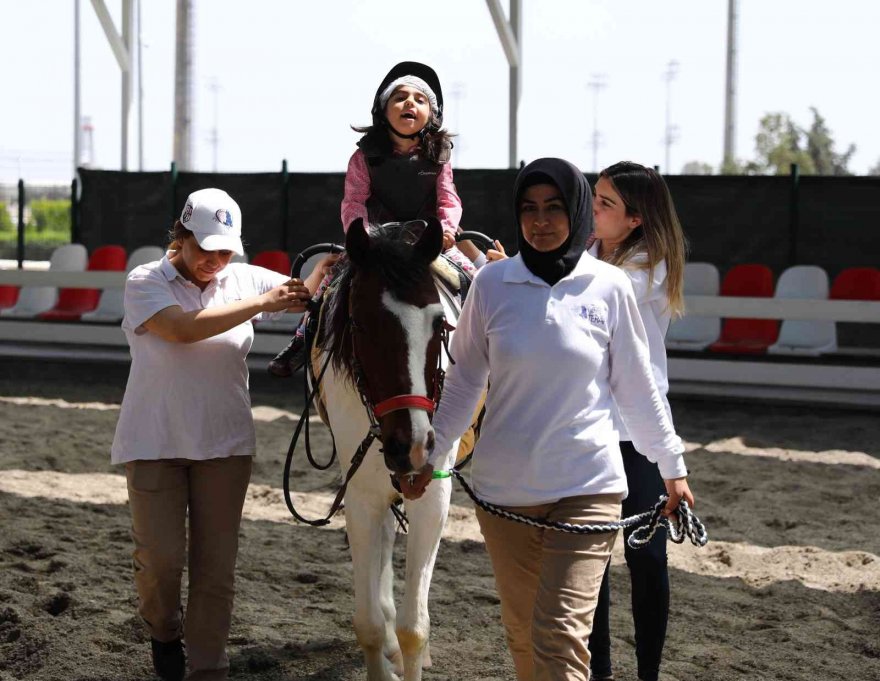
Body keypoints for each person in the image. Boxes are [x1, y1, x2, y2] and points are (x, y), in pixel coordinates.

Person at [398, 158, 695, 681]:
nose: (541, 221)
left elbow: (637, 387)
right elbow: (466, 380)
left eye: (554, 208)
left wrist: (673, 467)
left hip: (589, 486)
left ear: (575, 212)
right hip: (506, 492)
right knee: (524, 638)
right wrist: (434, 452)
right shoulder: (491, 284)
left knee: (559, 635)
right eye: (529, 209)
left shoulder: (611, 287)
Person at [110, 188, 319, 681]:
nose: (215, 260)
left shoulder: (242, 277)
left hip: (225, 444)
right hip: (153, 442)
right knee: (160, 561)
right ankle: (164, 631)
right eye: (204, 247)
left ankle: (209, 668)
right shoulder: (145, 280)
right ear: (180, 237)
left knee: (216, 568)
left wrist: (326, 270)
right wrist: (262, 302)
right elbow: (181, 329)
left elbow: (303, 293)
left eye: (225, 250)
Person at [268, 60, 482, 377]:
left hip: (427, 241)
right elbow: (353, 201)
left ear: (431, 115)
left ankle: (487, 344)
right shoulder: (364, 157)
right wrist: (363, 237)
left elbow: (448, 198)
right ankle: (303, 338)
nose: (410, 103)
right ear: (383, 110)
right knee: (332, 280)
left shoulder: (439, 156)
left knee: (472, 279)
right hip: (378, 240)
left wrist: (446, 230)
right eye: (400, 97)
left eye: (420, 99)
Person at [585, 161, 687, 681]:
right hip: (593, 428)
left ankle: (647, 673)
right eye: (594, 197)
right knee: (592, 563)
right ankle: (599, 671)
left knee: (647, 559)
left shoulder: (649, 268)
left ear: (636, 220)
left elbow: (594, 287)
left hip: (640, 432)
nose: (592, 208)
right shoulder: (587, 257)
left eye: (605, 203)